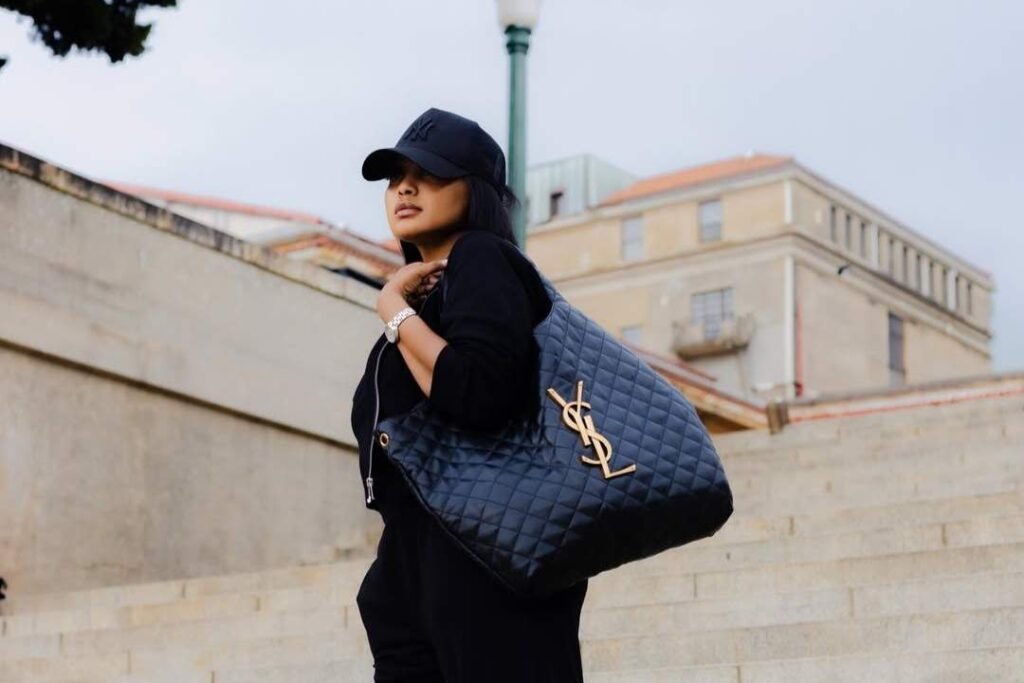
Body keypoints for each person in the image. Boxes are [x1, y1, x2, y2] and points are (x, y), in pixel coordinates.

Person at [349, 107, 589, 682]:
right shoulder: (430, 297)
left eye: (429, 173)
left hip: (487, 557)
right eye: (395, 175)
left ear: (477, 191)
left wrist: (394, 311)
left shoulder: (482, 259)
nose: (404, 187)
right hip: (419, 569)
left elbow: (479, 392)